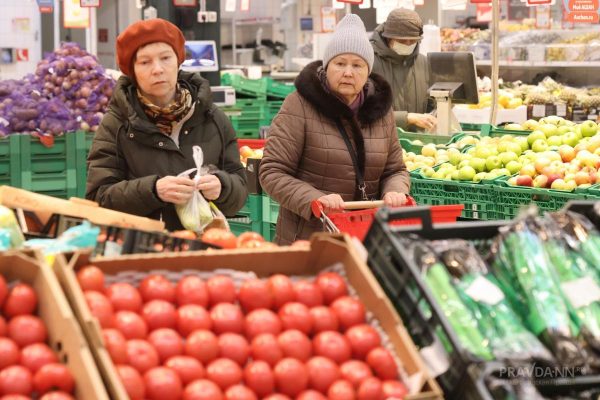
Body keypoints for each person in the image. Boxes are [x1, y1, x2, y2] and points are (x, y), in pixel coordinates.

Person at [259, 14, 411, 245]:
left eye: (357, 65)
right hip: (310, 238)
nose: (348, 72)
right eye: (340, 63)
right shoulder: (299, 105)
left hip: (368, 237)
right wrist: (315, 199)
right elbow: (272, 171)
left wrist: (395, 190)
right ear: (327, 65)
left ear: (368, 71)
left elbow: (395, 170)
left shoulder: (381, 111)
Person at [86, 18, 247, 231]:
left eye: (165, 58)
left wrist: (223, 187)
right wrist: (153, 190)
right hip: (142, 249)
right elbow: (99, 198)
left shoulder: (212, 118)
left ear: (178, 60)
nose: (157, 69)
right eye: (145, 62)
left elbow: (240, 188)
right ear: (132, 70)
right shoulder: (116, 125)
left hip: (206, 246)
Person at [371, 8, 437, 132]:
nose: (407, 44)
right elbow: (363, 109)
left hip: (418, 142)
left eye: (412, 41)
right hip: (381, 141)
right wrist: (405, 118)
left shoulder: (423, 63)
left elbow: (431, 103)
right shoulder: (369, 62)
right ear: (387, 37)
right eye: (401, 41)